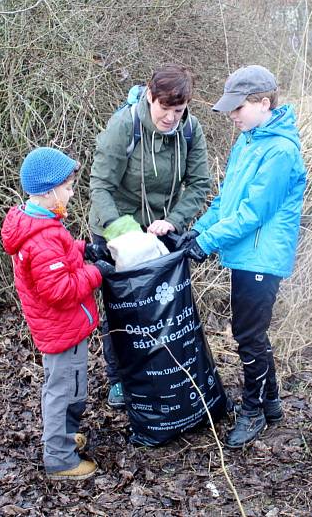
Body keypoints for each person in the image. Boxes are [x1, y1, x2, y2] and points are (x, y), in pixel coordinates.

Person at [184, 65, 307, 448]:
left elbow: (253, 213)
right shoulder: (250, 141)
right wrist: (199, 230)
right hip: (245, 254)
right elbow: (226, 201)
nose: (233, 115)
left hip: (262, 258)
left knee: (249, 337)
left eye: (239, 108)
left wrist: (208, 244)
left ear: (264, 103)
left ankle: (253, 412)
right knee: (252, 335)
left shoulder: (281, 152)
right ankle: (269, 403)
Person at [87, 63, 211, 408]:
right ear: (150, 96)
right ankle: (119, 380)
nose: (171, 118)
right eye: (164, 108)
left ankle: (162, 370)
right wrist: (124, 231)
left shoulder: (190, 130)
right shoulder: (124, 126)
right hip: (116, 230)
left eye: (179, 110)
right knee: (125, 309)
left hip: (161, 230)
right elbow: (100, 186)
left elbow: (199, 183)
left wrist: (174, 220)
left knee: (163, 305)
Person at [1, 147, 111, 480]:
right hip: (60, 328)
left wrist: (85, 249)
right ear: (49, 191)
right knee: (63, 391)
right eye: (67, 187)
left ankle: (62, 437)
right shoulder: (42, 235)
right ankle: (59, 457)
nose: (72, 192)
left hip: (63, 328)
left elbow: (60, 253)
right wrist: (97, 272)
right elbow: (59, 289)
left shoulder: (41, 223)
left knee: (71, 385)